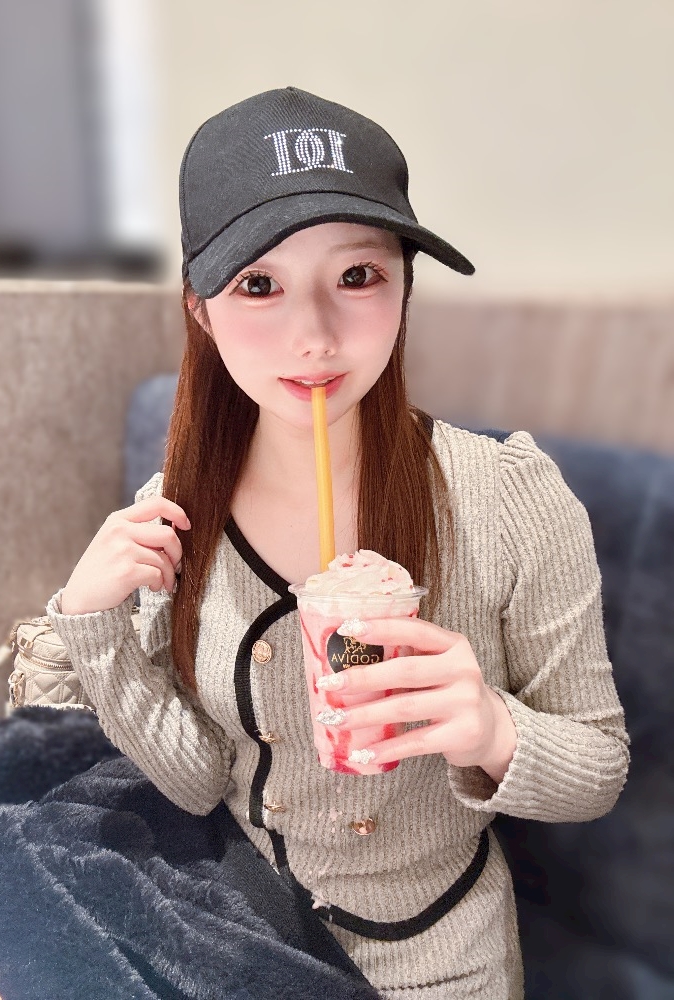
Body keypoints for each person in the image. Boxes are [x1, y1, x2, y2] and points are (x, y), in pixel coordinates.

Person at [48, 88, 629, 998]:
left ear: (404, 285)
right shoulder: (176, 514)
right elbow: (198, 782)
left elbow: (597, 770)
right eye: (259, 285)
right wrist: (93, 625)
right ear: (199, 309)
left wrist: (490, 726)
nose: (314, 337)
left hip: (442, 948)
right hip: (250, 927)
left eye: (357, 276)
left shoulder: (510, 497)